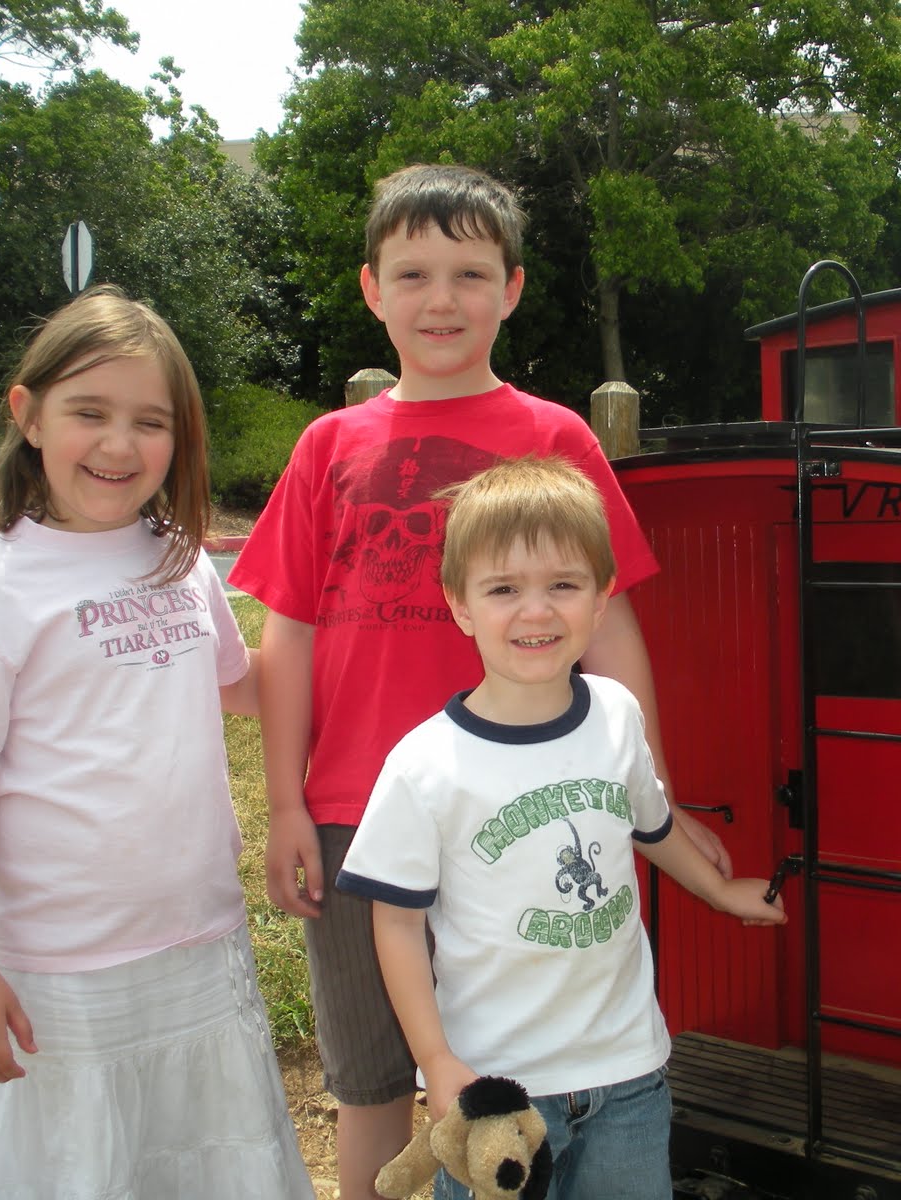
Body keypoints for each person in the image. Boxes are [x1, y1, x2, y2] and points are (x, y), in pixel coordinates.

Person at [228, 161, 731, 1200]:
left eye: (468, 272)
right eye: (412, 274)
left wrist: (651, 796)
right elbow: (290, 636)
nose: (440, 298)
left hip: (531, 812)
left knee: (524, 1074)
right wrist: (283, 802)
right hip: (355, 815)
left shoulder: (555, 437)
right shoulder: (330, 446)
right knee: (372, 1081)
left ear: (509, 288)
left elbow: (615, 625)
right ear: (372, 290)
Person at [0, 285, 316, 1200]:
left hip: (199, 941)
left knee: (198, 1157)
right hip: (59, 976)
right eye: (90, 412)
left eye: (150, 422)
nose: (121, 445)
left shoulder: (174, 557)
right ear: (29, 415)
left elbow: (240, 684)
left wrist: (359, 662)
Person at [336, 456, 786, 1200]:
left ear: (602, 598)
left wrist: (719, 890)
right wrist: (437, 1061)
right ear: (461, 605)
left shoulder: (615, 716)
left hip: (630, 1074)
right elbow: (395, 925)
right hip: (498, 1094)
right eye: (504, 589)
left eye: (563, 586)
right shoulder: (426, 766)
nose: (536, 612)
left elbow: (653, 826)